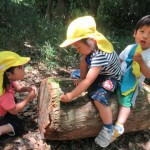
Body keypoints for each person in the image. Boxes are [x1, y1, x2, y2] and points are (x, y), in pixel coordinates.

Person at [59, 16, 122, 147]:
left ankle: (108, 128)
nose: (77, 50)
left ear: (91, 41)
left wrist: (71, 95)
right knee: (77, 74)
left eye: (78, 47)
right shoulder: (91, 45)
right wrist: (81, 77)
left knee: (99, 98)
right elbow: (84, 61)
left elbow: (88, 81)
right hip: (99, 71)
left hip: (109, 77)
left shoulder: (100, 54)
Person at [112, 15, 150, 142]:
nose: (145, 36)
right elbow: (120, 59)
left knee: (125, 101)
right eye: (142, 31)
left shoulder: (149, 54)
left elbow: (148, 74)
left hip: (133, 83)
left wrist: (141, 62)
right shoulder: (129, 47)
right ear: (135, 33)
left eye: (149, 34)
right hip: (119, 76)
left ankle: (119, 125)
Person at [0, 51, 37, 136]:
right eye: (20, 67)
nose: (23, 69)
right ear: (8, 74)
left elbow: (17, 88)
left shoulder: (6, 81)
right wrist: (28, 99)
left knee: (14, 100)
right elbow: (14, 110)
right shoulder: (4, 93)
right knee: (18, 125)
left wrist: (27, 89)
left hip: (4, 110)